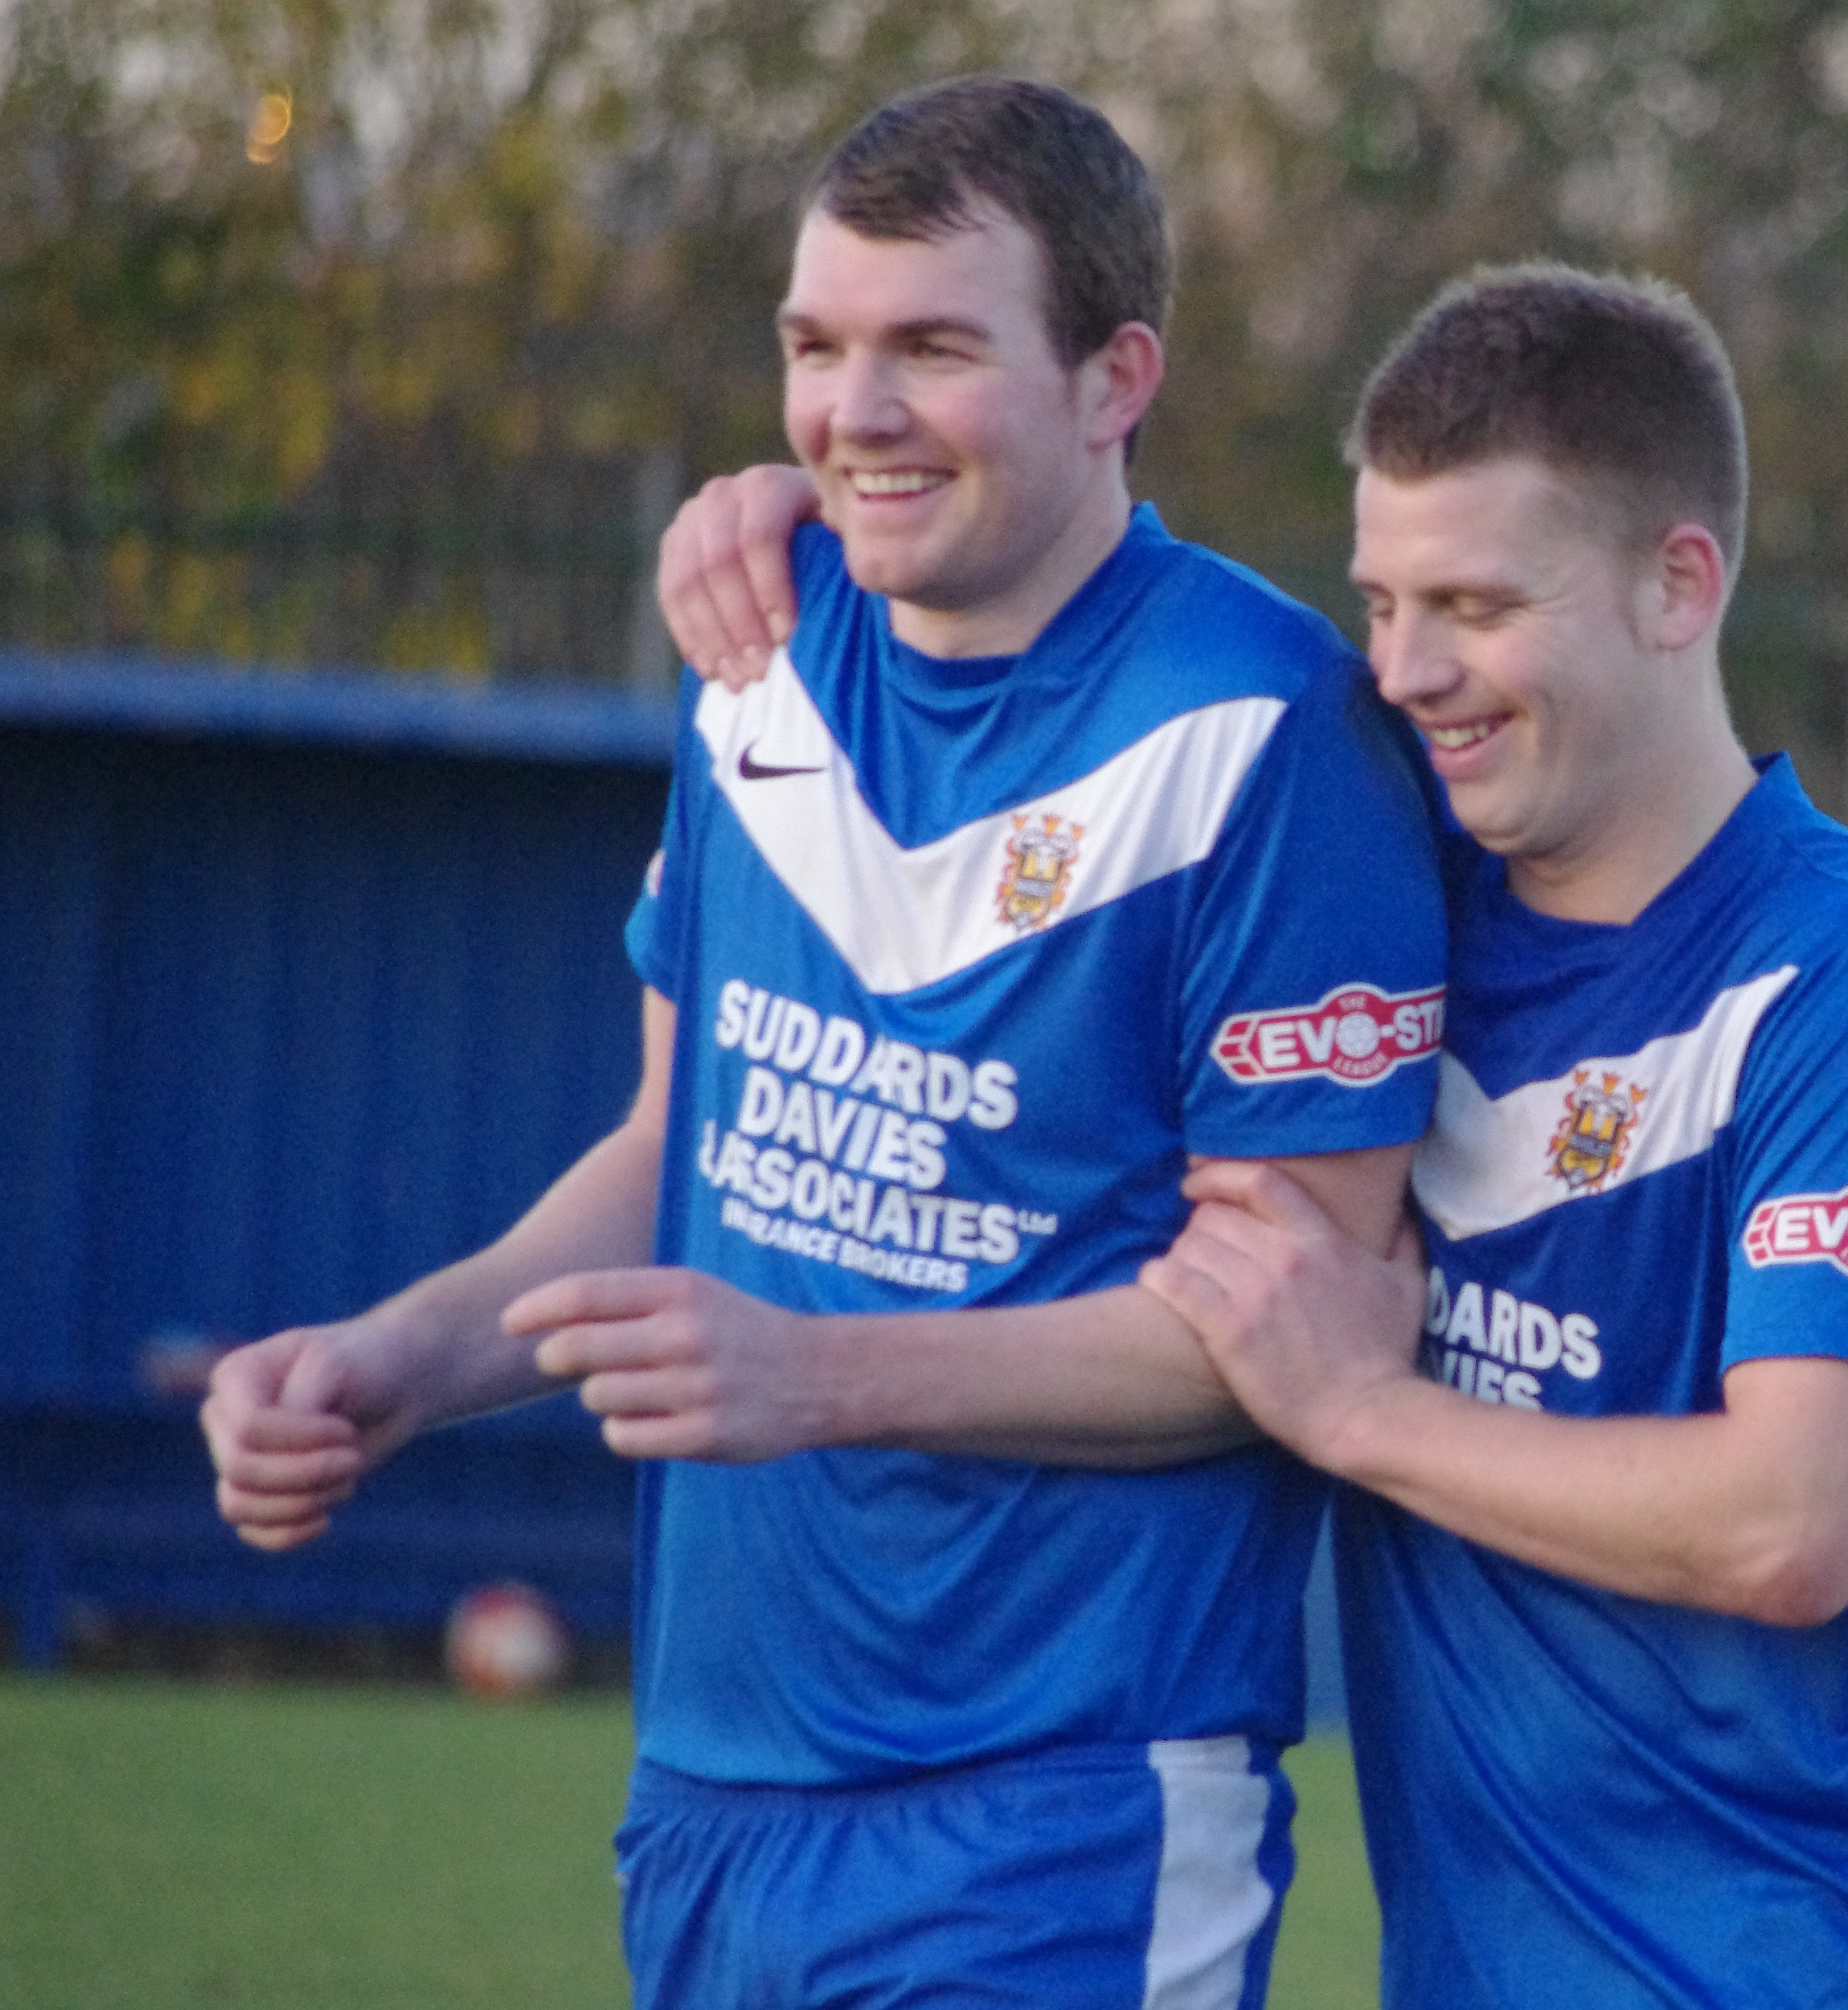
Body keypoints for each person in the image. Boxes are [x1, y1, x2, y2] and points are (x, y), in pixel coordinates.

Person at [200, 76, 1447, 2010]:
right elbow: (670, 1150)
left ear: (1116, 379)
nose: (851, 413)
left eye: (932, 348)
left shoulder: (1268, 737)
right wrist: (400, 1360)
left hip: (1064, 1801)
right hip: (713, 1784)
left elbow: (1283, 1337)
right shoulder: (754, 656)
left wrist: (816, 1373)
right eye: (814, 345)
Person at [666, 267, 1848, 2006]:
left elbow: (1795, 1524)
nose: (1402, 672)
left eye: (1474, 603)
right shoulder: (1379, 906)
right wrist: (804, 512)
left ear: (1675, 583)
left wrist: (1363, 1412)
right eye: (1380, 600)